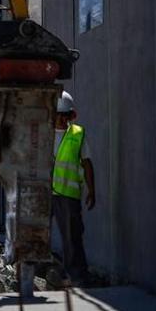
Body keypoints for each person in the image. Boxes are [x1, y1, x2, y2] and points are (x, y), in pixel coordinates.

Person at [52, 91, 95, 285]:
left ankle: (77, 276)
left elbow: (86, 163)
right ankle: (40, 273)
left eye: (64, 115)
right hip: (46, 193)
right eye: (57, 115)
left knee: (72, 237)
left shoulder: (77, 135)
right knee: (37, 234)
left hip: (69, 195)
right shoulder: (42, 133)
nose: (60, 120)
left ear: (71, 116)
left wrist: (91, 190)